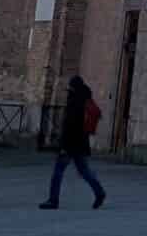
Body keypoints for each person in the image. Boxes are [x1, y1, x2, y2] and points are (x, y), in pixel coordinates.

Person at [41, 74, 107, 210]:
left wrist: (64, 146)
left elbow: (70, 126)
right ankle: (99, 192)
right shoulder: (86, 98)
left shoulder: (74, 101)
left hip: (70, 144)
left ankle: (53, 200)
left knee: (58, 171)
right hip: (81, 143)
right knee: (84, 171)